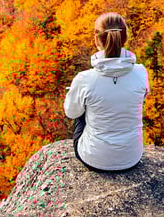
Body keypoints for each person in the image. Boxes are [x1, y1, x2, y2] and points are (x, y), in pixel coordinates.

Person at [64, 12, 150, 172]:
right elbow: (143, 96)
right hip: (132, 157)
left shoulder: (85, 79)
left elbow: (71, 112)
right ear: (125, 38)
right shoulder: (141, 72)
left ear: (96, 40)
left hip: (94, 159)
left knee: (81, 109)